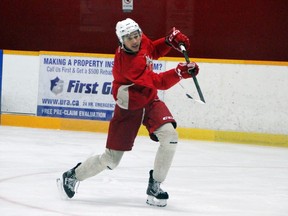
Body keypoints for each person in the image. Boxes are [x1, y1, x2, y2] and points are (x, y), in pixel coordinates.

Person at [59, 18, 199, 207]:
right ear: (120, 41)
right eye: (128, 38)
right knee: (111, 160)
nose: (134, 40)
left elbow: (153, 51)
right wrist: (180, 73)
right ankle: (72, 176)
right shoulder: (128, 63)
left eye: (136, 35)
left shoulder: (141, 41)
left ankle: (155, 186)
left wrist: (168, 41)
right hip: (129, 107)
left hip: (149, 100)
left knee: (170, 137)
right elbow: (160, 82)